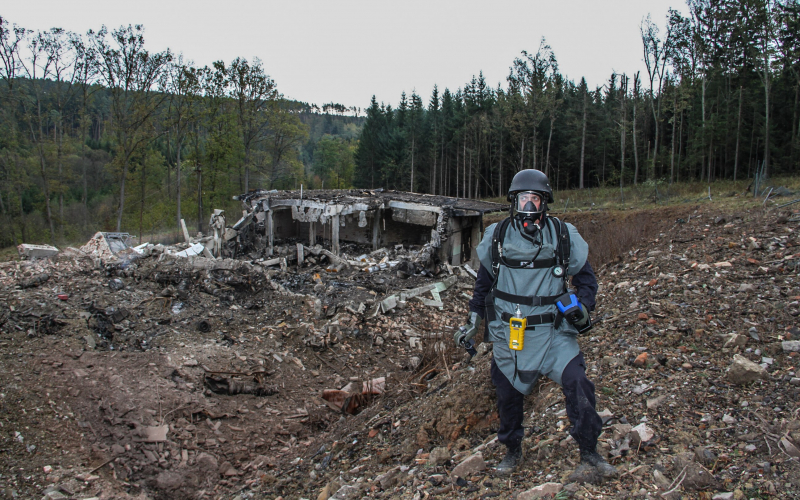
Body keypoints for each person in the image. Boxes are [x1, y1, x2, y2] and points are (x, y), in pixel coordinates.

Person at [454, 169, 616, 478]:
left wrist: (583, 307)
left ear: (545, 202)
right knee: (507, 393)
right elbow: (482, 287)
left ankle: (590, 454)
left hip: (554, 332)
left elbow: (587, 281)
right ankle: (512, 451)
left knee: (577, 382)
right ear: (514, 202)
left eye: (535, 199)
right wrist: (473, 323)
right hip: (510, 333)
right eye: (523, 199)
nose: (529, 205)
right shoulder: (498, 237)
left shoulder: (563, 235)